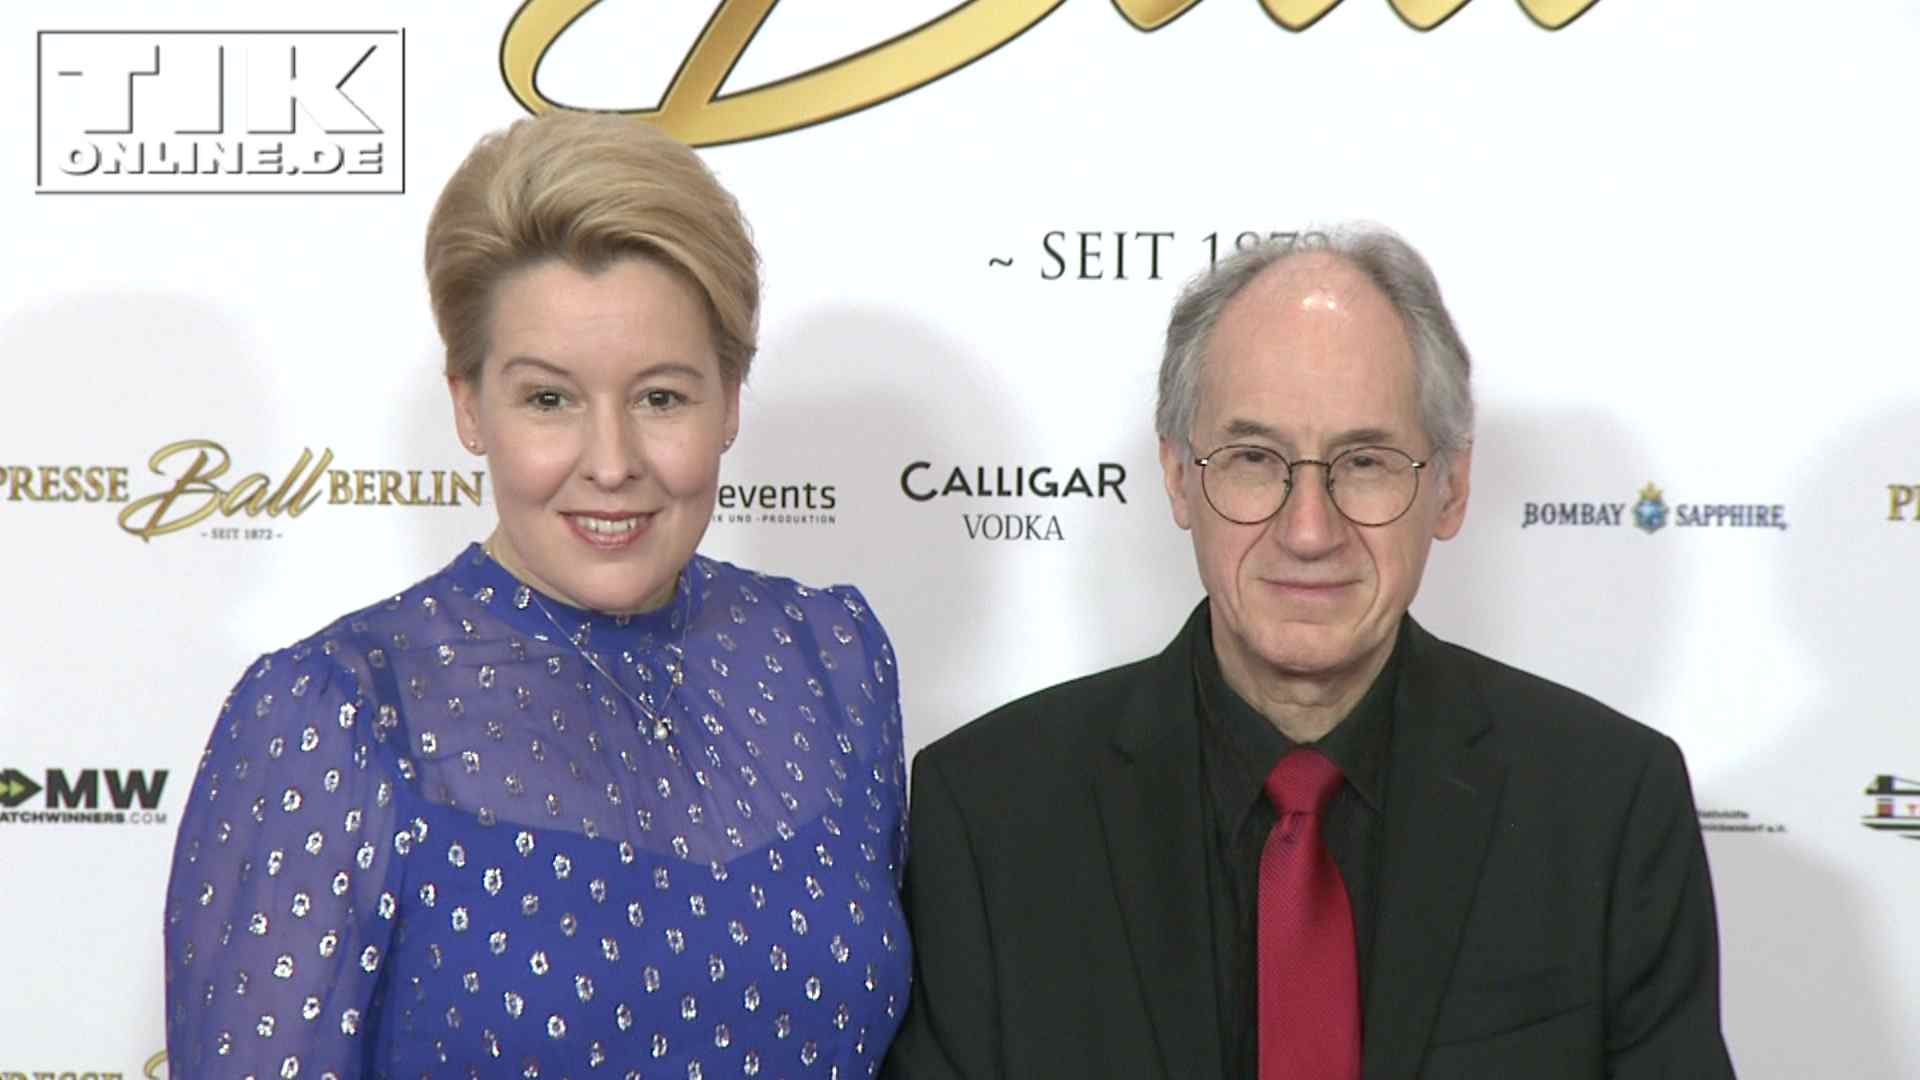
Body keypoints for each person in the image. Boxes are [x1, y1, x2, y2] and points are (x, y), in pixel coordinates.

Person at [882, 226, 1735, 1079]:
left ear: (1451, 486)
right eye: (1255, 459)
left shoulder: (1609, 806)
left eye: (1364, 462)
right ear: (1179, 477)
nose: (1309, 530)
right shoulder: (991, 813)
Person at [162, 112, 910, 1078]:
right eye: (549, 399)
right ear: (470, 407)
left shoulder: (830, 655)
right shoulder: (334, 711)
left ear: (730, 401)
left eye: (661, 397)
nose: (613, 463)